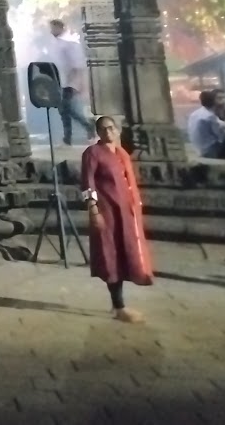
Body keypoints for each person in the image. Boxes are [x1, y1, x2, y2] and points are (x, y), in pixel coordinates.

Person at [80, 115, 152, 323]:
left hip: (126, 214)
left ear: (118, 130)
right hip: (107, 212)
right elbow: (87, 183)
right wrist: (93, 209)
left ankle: (119, 303)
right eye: (102, 129)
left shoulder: (122, 154)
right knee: (110, 255)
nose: (107, 132)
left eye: (111, 128)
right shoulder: (93, 153)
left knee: (124, 252)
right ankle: (118, 305)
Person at [43, 19, 95, 145]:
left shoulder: (70, 44)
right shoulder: (54, 44)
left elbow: (76, 64)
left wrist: (74, 82)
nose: (51, 31)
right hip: (59, 81)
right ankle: (69, 137)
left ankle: (86, 127)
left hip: (69, 81)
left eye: (53, 28)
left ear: (60, 27)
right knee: (64, 110)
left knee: (67, 109)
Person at [186, 88, 225, 158]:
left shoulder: (195, 113)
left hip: (198, 148)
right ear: (214, 101)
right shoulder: (210, 116)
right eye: (219, 98)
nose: (222, 101)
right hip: (210, 150)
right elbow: (221, 137)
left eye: (224, 98)